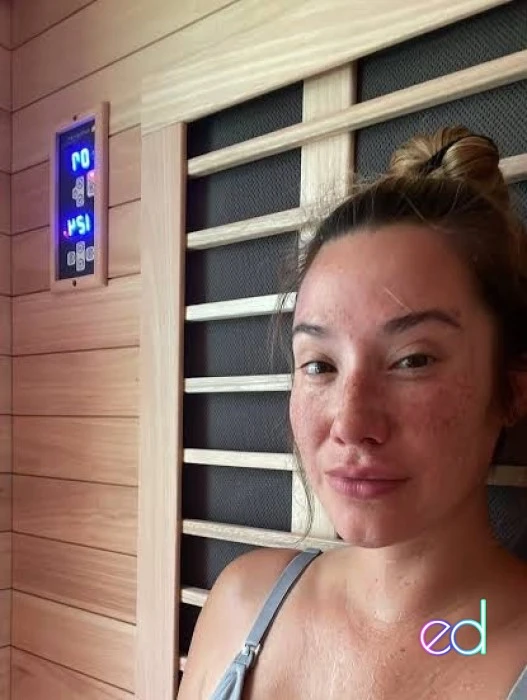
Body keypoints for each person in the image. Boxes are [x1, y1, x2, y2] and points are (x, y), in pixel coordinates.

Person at [177, 126, 527, 699]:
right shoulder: (239, 605)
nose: (350, 424)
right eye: (319, 365)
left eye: (413, 360)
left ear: (511, 389)